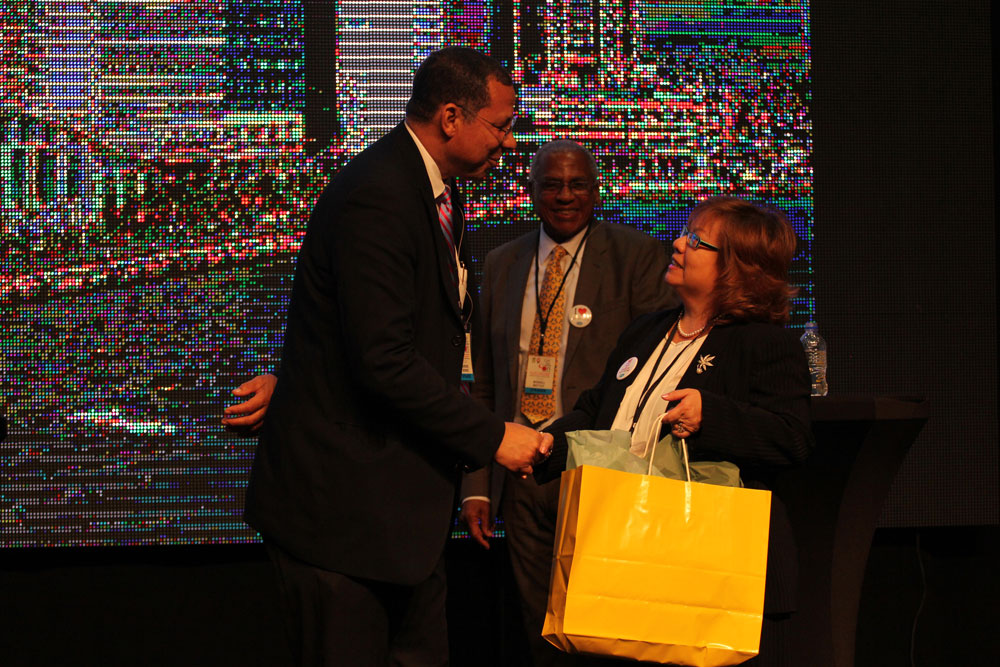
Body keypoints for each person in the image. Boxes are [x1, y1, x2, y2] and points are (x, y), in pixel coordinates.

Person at [240, 47, 552, 667]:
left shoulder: (434, 191)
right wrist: (494, 436)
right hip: (344, 520)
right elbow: (382, 359)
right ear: (451, 117)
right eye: (501, 125)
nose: (510, 143)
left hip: (400, 521)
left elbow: (370, 331)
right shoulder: (379, 195)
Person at [531, 195, 814, 666]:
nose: (679, 244)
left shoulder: (764, 343)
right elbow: (596, 411)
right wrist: (545, 444)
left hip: (710, 570)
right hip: (628, 553)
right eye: (685, 234)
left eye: (697, 241)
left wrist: (710, 416)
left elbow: (793, 438)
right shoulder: (647, 329)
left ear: (737, 266)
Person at [457, 139, 676, 665]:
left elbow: (656, 372)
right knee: (539, 630)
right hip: (521, 472)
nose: (564, 196)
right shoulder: (502, 262)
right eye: (551, 185)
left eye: (577, 184)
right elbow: (484, 384)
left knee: (606, 628)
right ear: (531, 191)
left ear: (596, 191)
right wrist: (476, 486)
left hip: (600, 471)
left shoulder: (636, 257)